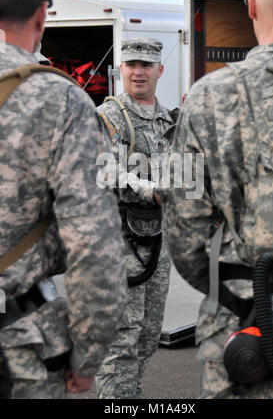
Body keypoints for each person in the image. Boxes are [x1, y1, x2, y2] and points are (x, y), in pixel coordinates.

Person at [160, 0, 273, 400]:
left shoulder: (208, 97)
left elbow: (184, 232)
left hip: (244, 334)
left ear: (252, 5)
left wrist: (236, 287)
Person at [0, 0, 127, 399]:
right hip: (18, 348)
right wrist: (87, 356)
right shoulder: (59, 100)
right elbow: (94, 247)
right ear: (40, 15)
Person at [95, 38, 176, 399]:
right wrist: (151, 190)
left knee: (147, 338)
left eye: (146, 64)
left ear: (161, 69)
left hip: (159, 243)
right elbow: (103, 171)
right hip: (119, 241)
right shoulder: (109, 117)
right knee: (121, 341)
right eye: (131, 65)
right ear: (120, 70)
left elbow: (187, 175)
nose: (138, 71)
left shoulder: (168, 120)